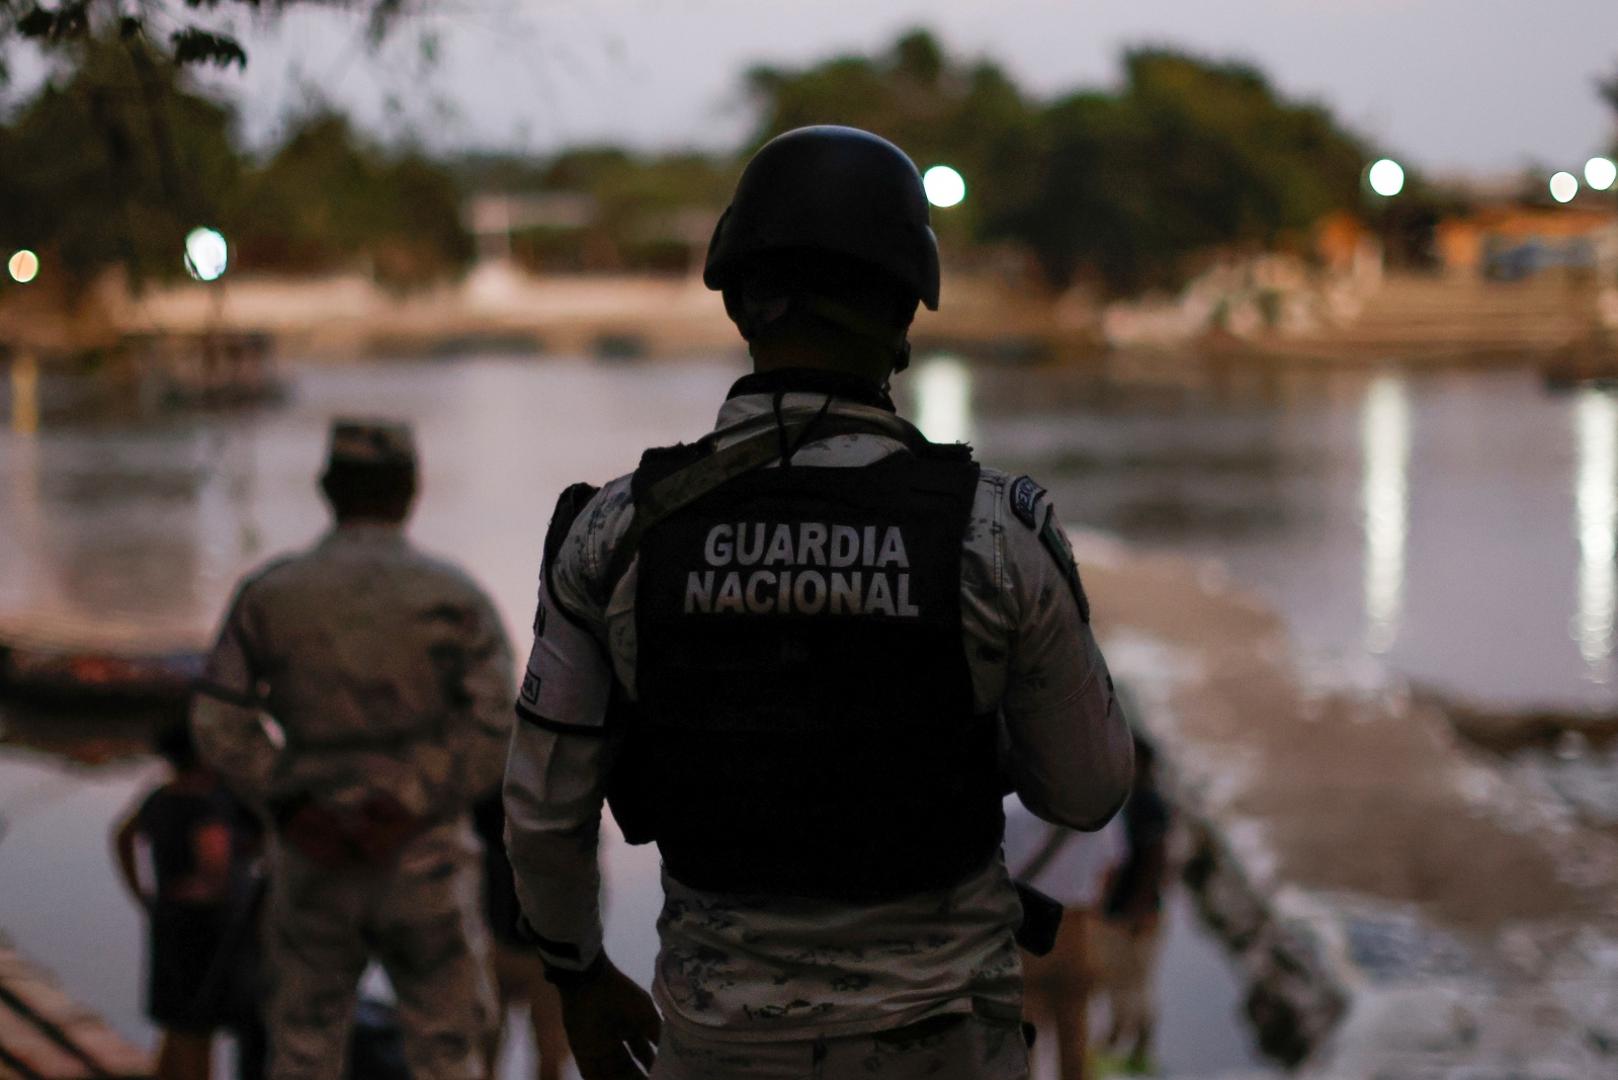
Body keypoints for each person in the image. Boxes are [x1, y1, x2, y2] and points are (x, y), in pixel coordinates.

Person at [503, 125, 1135, 1080]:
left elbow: (545, 816)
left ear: (738, 297)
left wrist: (578, 976)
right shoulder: (995, 533)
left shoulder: (614, 534)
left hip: (717, 1048)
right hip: (947, 1047)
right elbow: (1086, 791)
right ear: (902, 308)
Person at [190, 419, 514, 1080]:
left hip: (311, 860)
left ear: (327, 489)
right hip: (423, 859)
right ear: (411, 489)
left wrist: (290, 804)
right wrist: (412, 805)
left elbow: (218, 716)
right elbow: (498, 722)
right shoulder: (451, 595)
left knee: (304, 1047)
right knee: (449, 1049)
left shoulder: (273, 592)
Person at [113, 721, 265, 1080]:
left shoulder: (161, 798)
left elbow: (122, 837)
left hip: (168, 920)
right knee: (198, 1028)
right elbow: (214, 865)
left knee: (176, 1023)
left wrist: (142, 893)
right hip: (208, 931)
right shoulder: (208, 805)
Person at [1002, 801, 1126, 1080]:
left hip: (1025, 932)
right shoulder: (1097, 811)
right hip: (1076, 930)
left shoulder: (1009, 811)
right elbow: (1111, 869)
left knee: (1023, 1033)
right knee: (1075, 1034)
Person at [472, 793, 572, 1080]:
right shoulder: (555, 797)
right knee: (489, 1055)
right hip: (517, 944)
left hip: (535, 947)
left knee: (548, 1054)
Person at [1096, 734, 1173, 1074]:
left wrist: (1140, 911)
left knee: (1128, 985)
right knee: (1131, 985)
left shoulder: (1146, 805)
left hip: (1132, 914)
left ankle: (1121, 1049)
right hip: (1128, 912)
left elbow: (1157, 861)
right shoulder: (1132, 802)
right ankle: (1132, 1052)